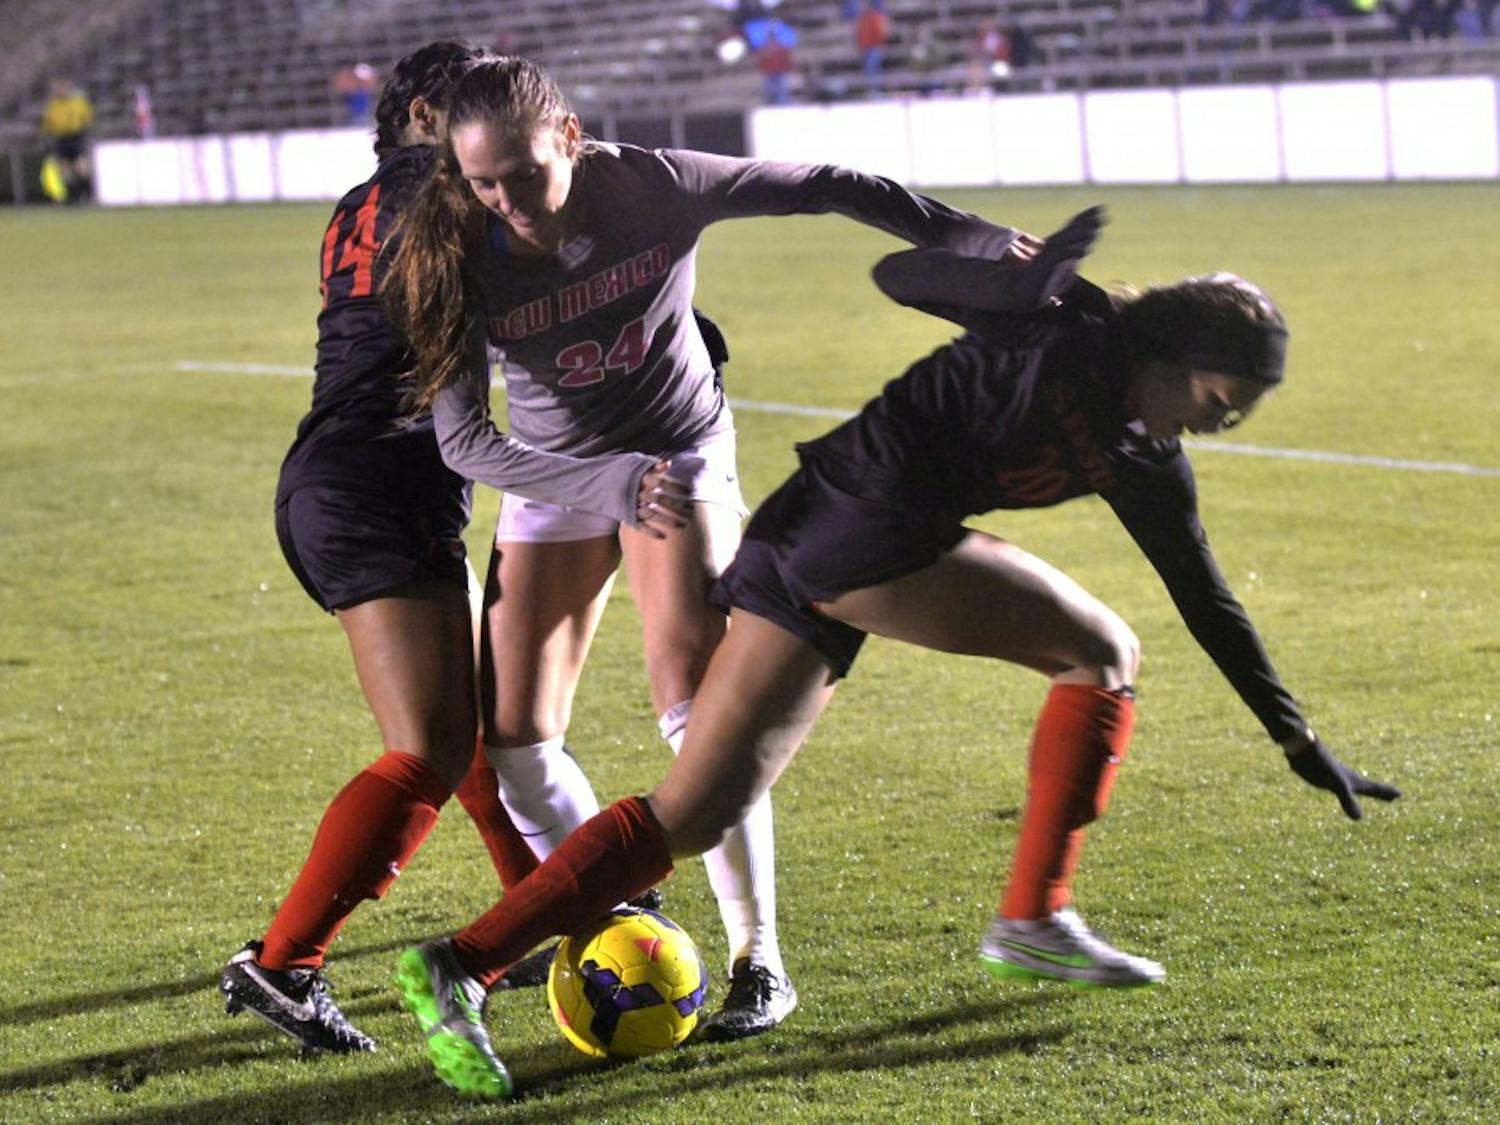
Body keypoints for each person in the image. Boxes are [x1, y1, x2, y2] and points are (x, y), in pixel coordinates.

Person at [388, 207, 1400, 1098]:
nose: (1234, 414)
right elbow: (899, 277)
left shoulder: (1145, 456)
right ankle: (1034, 918)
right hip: (861, 529)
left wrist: (1297, 739)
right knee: (1099, 649)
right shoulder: (1067, 335)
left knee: (695, 812)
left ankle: (461, 966)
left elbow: (1208, 596)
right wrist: (1014, 282)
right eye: (1232, 389)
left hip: (810, 542)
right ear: (1180, 354)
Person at [379, 55, 1023, 1058]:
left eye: (524, 174)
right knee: (513, 746)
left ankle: (760, 957)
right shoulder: (456, 250)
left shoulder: (654, 185)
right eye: (483, 182)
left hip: (678, 452)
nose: (506, 201)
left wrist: (966, 237)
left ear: (573, 140)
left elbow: (820, 185)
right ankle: (625, 911)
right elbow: (464, 441)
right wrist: (604, 485)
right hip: (560, 472)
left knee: (694, 703)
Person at [218, 40, 558, 1056]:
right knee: (431, 747)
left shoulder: (358, 204)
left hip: (351, 479)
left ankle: (533, 913)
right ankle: (284, 965)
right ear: (422, 115)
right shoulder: (457, 199)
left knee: (464, 727)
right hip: (377, 485)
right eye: (462, 107)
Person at [40, 78, 94, 204]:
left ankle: (88, 194)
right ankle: (73, 198)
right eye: (58, 89)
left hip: (77, 137)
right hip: (61, 139)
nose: (60, 91)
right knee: (65, 172)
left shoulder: (79, 103)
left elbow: (88, 118)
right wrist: (46, 136)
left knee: (82, 168)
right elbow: (48, 124)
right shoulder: (53, 106)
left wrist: (85, 132)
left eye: (63, 88)